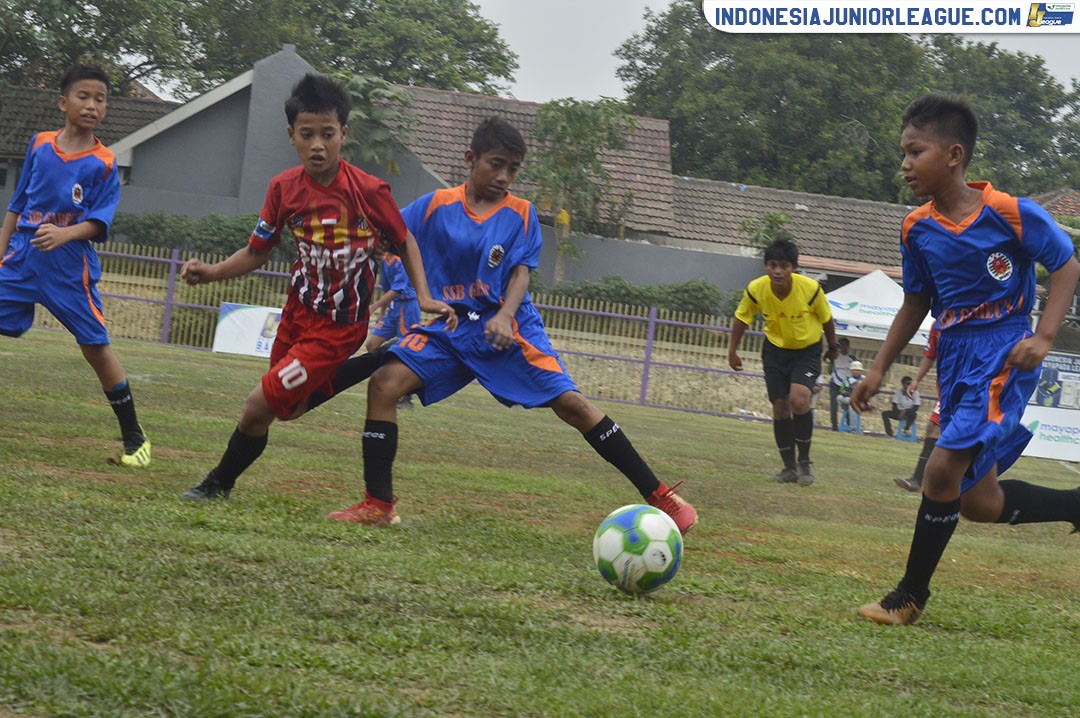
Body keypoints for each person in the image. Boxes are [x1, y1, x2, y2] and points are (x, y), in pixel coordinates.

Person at [326, 117, 698, 534]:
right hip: (452, 327)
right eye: (496, 164)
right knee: (384, 384)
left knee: (571, 405)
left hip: (509, 328)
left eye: (513, 169)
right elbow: (389, 229)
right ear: (471, 159)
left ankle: (661, 495)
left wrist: (504, 316)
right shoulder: (435, 206)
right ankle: (378, 504)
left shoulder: (521, 214)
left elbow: (521, 274)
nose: (504, 177)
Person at [851, 92, 1080, 626]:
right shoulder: (916, 228)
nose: (905, 163)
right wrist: (882, 366)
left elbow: (1066, 266)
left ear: (953, 155)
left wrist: (1044, 337)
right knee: (978, 502)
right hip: (954, 361)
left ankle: (909, 597)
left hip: (1004, 354)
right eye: (902, 153)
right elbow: (917, 301)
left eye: (915, 151)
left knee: (939, 469)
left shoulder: (1011, 213)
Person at [178, 73, 455, 501]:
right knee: (286, 410)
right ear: (292, 136)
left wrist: (422, 295)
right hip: (296, 313)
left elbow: (405, 239)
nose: (318, 145)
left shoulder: (368, 191)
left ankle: (216, 485)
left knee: (258, 404)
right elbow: (257, 251)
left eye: (328, 134)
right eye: (307, 135)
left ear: (344, 133)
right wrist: (211, 272)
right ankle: (379, 359)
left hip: (338, 327)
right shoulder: (283, 189)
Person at [0, 64, 151, 467]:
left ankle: (135, 439)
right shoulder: (39, 144)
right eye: (83, 97)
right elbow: (16, 206)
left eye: (100, 99)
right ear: (63, 102)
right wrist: (2, 252)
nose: (92, 105)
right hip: (21, 256)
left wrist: (63, 234)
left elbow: (99, 221)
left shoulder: (103, 162)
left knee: (95, 347)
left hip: (68, 267)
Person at [728, 238, 840, 486]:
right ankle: (788, 467)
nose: (777, 271)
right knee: (779, 406)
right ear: (766, 266)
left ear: (794, 267)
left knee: (799, 400)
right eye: (772, 265)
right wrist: (732, 350)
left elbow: (827, 319)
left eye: (784, 266)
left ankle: (805, 462)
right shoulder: (757, 289)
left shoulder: (810, 289)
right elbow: (742, 318)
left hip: (807, 351)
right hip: (775, 351)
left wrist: (832, 348)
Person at [363, 253, 421, 407]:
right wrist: (382, 313)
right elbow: (386, 288)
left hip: (408, 306)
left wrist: (374, 306)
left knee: (405, 350)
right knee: (372, 344)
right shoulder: (384, 259)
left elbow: (397, 289)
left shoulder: (401, 258)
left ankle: (406, 395)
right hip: (393, 308)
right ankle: (386, 381)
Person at [895, 321, 942, 492]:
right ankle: (919, 479)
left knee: (938, 430)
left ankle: (921, 480)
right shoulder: (938, 324)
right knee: (933, 428)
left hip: (967, 387)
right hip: (948, 390)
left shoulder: (972, 318)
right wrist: (916, 379)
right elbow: (930, 355)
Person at [828, 337, 856, 431]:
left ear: (848, 346)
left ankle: (849, 425)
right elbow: (829, 371)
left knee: (847, 404)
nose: (844, 347)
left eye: (846, 345)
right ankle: (834, 425)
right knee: (833, 404)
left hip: (847, 385)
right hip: (835, 383)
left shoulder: (852, 358)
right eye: (842, 345)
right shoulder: (835, 357)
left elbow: (856, 373)